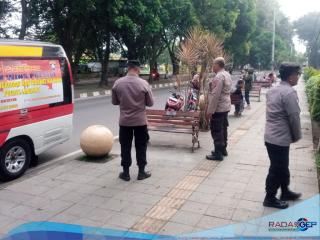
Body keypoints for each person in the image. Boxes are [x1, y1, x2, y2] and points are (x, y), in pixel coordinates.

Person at [263, 62, 302, 209]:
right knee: (277, 168)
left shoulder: (273, 89)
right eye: (297, 74)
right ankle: (270, 198)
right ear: (291, 77)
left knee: (282, 166)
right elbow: (294, 117)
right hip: (279, 138)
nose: (298, 77)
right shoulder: (289, 93)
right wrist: (296, 136)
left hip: (270, 136)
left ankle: (285, 191)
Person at [112, 60, 154, 181]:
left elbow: (114, 102)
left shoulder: (118, 83)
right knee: (141, 146)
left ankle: (125, 173)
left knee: (125, 146)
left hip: (124, 122)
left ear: (128, 68)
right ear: (137, 69)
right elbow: (150, 103)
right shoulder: (144, 84)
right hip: (140, 122)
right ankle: (141, 172)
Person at [206, 57, 232, 161]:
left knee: (217, 130)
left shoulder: (219, 76)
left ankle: (218, 154)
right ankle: (223, 149)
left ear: (217, 65)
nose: (212, 66)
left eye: (213, 64)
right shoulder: (227, 74)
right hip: (225, 106)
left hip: (219, 107)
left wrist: (210, 111)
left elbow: (215, 95)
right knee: (224, 128)